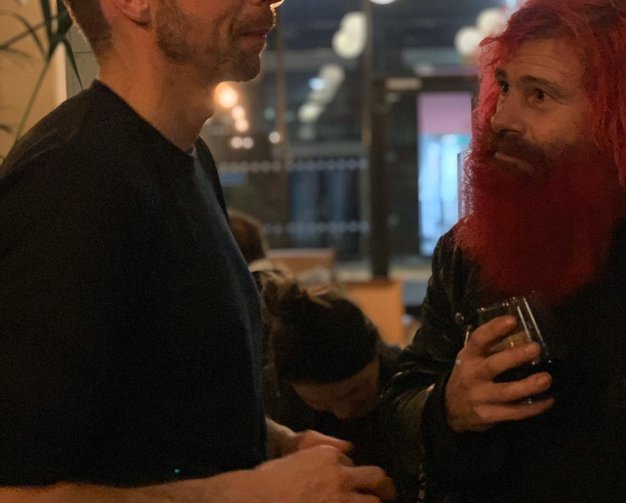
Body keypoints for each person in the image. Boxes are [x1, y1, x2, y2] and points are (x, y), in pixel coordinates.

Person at [0, 0, 395, 502]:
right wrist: (252, 495)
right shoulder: (71, 179)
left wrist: (278, 445)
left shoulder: (187, 157)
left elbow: (159, 400)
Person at [381, 0, 626, 502]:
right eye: (505, 87)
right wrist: (447, 406)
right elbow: (399, 411)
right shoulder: (469, 250)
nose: (500, 118)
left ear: (621, 115)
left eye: (539, 95)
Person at [260, 274, 401, 466]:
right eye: (320, 403)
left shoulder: (411, 379)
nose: (343, 413)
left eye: (355, 391)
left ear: (376, 351)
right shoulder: (272, 402)